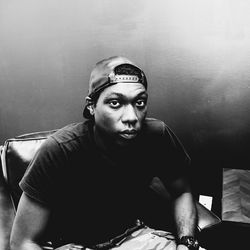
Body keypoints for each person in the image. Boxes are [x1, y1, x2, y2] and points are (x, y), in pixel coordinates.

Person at [10, 56, 199, 250]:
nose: (132, 117)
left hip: (135, 238)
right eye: (115, 103)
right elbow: (22, 242)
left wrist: (186, 242)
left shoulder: (156, 136)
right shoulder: (60, 150)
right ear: (91, 105)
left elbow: (182, 192)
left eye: (140, 102)